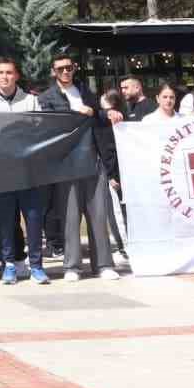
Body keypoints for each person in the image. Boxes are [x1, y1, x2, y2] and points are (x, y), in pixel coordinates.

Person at [37, 54, 122, 284]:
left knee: (98, 213)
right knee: (70, 215)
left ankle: (103, 264)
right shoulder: (46, 97)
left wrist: (106, 113)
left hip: (93, 158)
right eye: (61, 68)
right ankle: (72, 265)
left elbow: (98, 117)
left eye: (69, 67)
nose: (66, 72)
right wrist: (77, 114)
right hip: (66, 162)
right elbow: (48, 124)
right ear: (53, 71)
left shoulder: (85, 91)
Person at [0, 59, 47, 286]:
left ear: (16, 75)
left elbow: (39, 131)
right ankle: (8, 264)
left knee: (34, 218)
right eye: (1, 73)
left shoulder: (30, 100)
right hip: (1, 172)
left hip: (29, 171)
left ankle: (36, 265)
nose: (5, 77)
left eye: (9, 72)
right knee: (5, 220)